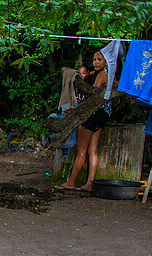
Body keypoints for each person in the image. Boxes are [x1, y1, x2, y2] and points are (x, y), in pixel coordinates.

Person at [56, 51, 111, 192]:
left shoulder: (102, 75)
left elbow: (94, 94)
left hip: (93, 114)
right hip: (103, 115)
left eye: (99, 59)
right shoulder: (106, 74)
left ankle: (71, 182)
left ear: (106, 61)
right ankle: (90, 183)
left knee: (81, 151)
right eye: (94, 59)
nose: (96, 62)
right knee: (92, 151)